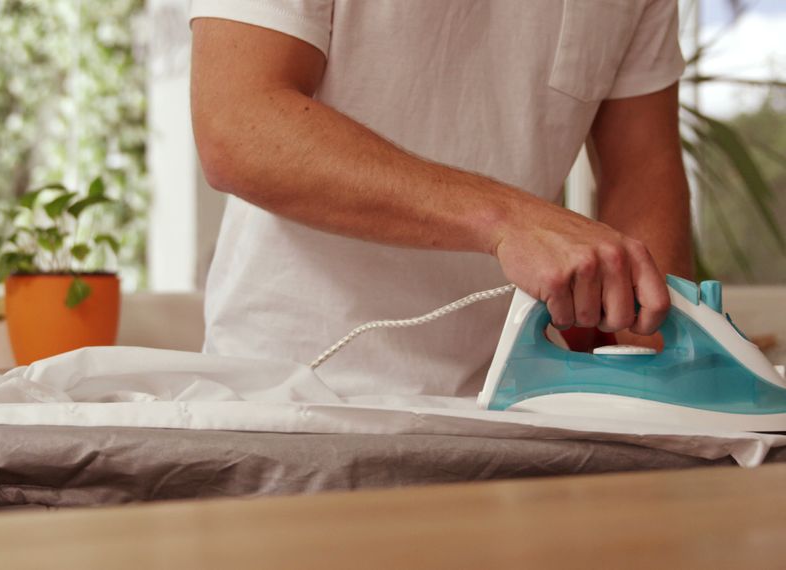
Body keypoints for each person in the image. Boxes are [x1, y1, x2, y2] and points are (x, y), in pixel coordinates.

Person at [189, 1, 693, 400]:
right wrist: (507, 220)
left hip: (513, 408)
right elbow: (238, 123)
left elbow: (642, 171)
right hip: (295, 398)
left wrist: (665, 376)